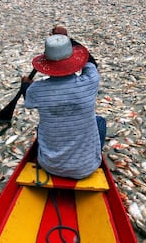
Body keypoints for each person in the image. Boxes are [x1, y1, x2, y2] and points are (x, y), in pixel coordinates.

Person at [21, 27, 106, 179]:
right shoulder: (90, 81)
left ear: (46, 62)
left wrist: (25, 85)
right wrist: (67, 39)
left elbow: (28, 100)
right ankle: (91, 157)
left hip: (49, 166)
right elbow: (91, 61)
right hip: (87, 168)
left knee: (42, 125)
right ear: (74, 58)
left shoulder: (37, 90)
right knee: (99, 121)